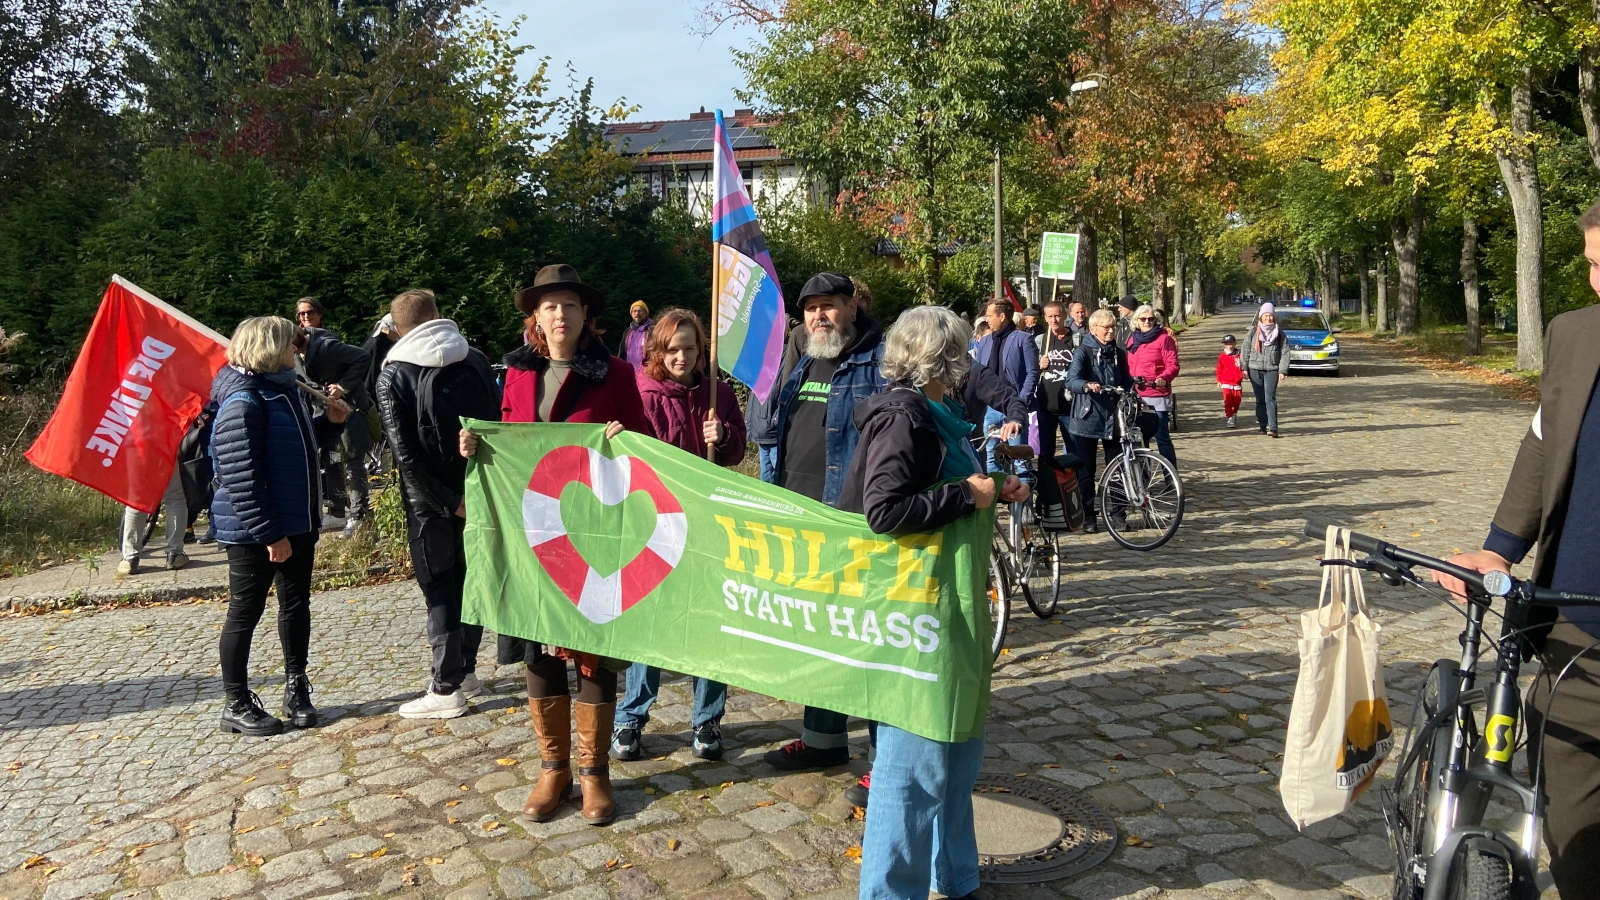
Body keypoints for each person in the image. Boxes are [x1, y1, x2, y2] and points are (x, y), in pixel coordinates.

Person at [1433, 199, 1600, 898]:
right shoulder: (1575, 336)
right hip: (1578, 640)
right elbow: (1542, 442)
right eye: (1594, 263)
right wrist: (1499, 548)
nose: (1598, 281)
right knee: (1576, 836)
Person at [839, 304, 1027, 900]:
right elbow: (884, 510)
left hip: (951, 607)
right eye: (962, 354)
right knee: (913, 767)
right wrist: (965, 495)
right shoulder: (903, 417)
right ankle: (892, 891)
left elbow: (951, 489)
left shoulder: (940, 414)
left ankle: (957, 877)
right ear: (940, 361)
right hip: (914, 616)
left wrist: (995, 489)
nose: (970, 363)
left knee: (956, 753)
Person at [460, 263, 652, 827]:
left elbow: (646, 445)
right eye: (549, 307)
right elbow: (507, 441)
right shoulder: (517, 375)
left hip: (595, 531)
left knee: (594, 649)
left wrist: (627, 438)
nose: (560, 315)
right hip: (534, 536)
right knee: (539, 644)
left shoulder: (615, 373)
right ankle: (554, 768)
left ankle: (594, 774)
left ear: (585, 315)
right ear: (535, 318)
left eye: (569, 305)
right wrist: (473, 445)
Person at [762, 272, 886, 791]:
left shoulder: (880, 364)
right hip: (804, 521)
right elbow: (772, 433)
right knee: (821, 637)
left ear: (852, 308)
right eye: (811, 308)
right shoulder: (805, 361)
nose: (819, 316)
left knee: (871, 643)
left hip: (855, 526)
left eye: (829, 306)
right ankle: (823, 740)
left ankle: (885, 760)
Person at [612, 308, 746, 763]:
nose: (682, 357)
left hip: (707, 523)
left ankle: (707, 719)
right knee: (650, 622)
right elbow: (623, 453)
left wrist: (722, 433)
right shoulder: (640, 393)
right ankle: (631, 718)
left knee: (709, 621)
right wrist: (615, 436)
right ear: (656, 350)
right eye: (673, 348)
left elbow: (736, 451)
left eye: (690, 348)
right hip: (656, 526)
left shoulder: (717, 394)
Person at [209, 316, 351, 736]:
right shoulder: (243, 401)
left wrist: (331, 423)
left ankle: (296, 688)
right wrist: (270, 533)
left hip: (297, 521)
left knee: (295, 606)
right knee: (244, 613)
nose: (298, 352)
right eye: (293, 345)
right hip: (257, 528)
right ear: (271, 349)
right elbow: (240, 475)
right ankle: (235, 703)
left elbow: (298, 447)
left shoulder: (281, 391)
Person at [377, 289, 502, 720]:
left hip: (429, 502)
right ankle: (465, 669)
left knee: (439, 587)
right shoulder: (476, 358)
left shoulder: (393, 374)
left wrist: (447, 502)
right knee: (470, 580)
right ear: (438, 316)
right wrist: (468, 496)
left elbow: (405, 454)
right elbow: (497, 423)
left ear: (396, 329)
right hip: (479, 487)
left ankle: (446, 687)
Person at [293, 323, 373, 533]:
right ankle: (337, 513)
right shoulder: (295, 353)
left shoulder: (327, 345)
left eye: (309, 312)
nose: (305, 317)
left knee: (352, 461)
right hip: (323, 413)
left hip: (348, 410)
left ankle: (360, 515)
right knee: (331, 460)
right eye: (301, 313)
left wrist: (343, 386)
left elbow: (363, 357)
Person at [1066, 309, 1135, 531]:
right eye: (1107, 327)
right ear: (1094, 329)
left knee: (1118, 467)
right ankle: (1088, 516)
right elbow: (1071, 380)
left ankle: (1118, 513)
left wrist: (1134, 391)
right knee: (1086, 472)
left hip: (1114, 418)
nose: (1111, 331)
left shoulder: (1119, 353)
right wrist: (1087, 385)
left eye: (1113, 327)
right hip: (1087, 417)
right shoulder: (1083, 352)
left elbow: (1126, 381)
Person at [973, 300, 1039, 477]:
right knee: (989, 457)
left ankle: (1022, 499)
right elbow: (977, 373)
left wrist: (1021, 401)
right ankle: (996, 496)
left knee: (1020, 458)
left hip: (1014, 408)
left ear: (1002, 316)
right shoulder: (985, 342)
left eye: (989, 315)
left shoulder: (1023, 339)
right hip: (989, 409)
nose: (987, 319)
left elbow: (1033, 373)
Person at [1125, 304, 1179, 467]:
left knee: (1162, 437)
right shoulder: (1132, 339)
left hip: (1157, 394)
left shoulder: (1164, 339)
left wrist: (1164, 377)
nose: (1147, 322)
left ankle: (1171, 477)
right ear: (1137, 321)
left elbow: (1173, 364)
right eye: (1143, 319)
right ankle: (1144, 478)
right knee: (1140, 439)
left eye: (1151, 319)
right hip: (1137, 395)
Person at [117, 464, 189, 575]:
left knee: (136, 497)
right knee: (174, 497)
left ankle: (130, 559)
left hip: (137, 450)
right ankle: (174, 554)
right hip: (164, 449)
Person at [1034, 299, 1078, 466]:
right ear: (1045, 318)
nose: (1054, 320)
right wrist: (1039, 365)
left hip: (1070, 406)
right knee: (1045, 453)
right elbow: (1031, 371)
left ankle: (1074, 488)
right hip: (1046, 405)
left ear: (1064, 316)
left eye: (1057, 316)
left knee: (1074, 451)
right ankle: (1049, 488)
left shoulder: (1076, 339)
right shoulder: (1040, 341)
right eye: (1050, 316)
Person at [1239, 302, 1289, 437]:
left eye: (1271, 316)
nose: (1268, 318)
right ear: (1261, 317)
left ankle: (1273, 428)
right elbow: (1246, 349)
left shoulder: (1279, 334)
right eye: (1266, 316)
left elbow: (1285, 352)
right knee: (1260, 399)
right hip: (1254, 369)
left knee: (1270, 398)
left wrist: (1282, 370)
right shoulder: (1253, 332)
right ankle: (1262, 424)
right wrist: (1243, 367)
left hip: (1272, 369)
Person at [1216, 335, 1244, 428]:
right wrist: (1219, 380)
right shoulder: (1222, 356)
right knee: (1228, 400)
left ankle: (1234, 413)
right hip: (1226, 381)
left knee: (1237, 400)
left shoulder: (1240, 355)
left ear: (1235, 343)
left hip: (1237, 382)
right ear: (1224, 345)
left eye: (1231, 343)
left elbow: (1244, 366)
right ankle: (1229, 417)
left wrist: (1244, 373)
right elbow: (1219, 369)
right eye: (1227, 344)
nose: (1229, 346)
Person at [618, 300, 652, 369]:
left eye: (640, 311)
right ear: (631, 314)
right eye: (634, 311)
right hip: (629, 372)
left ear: (646, 313)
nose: (637, 313)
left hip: (647, 373)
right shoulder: (627, 332)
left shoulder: (652, 330)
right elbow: (621, 353)